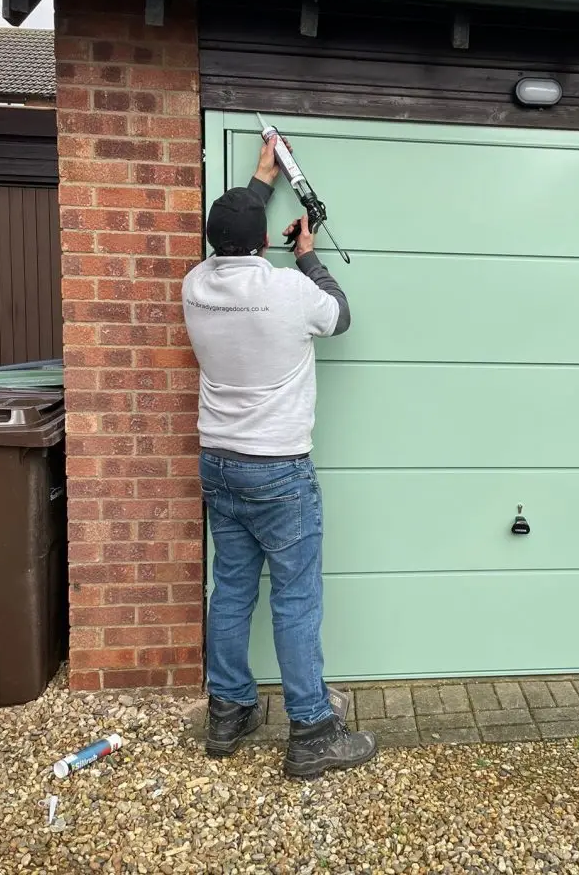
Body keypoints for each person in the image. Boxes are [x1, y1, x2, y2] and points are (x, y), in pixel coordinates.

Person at [181, 135, 377, 780]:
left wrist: (261, 179)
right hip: (278, 471)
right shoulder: (291, 291)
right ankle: (312, 731)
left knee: (232, 589)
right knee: (295, 598)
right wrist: (311, 258)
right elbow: (341, 316)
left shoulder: (195, 285)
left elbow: (236, 238)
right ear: (264, 241)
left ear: (216, 244)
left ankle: (229, 713)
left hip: (219, 462)